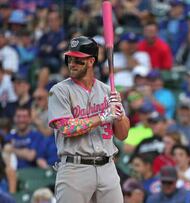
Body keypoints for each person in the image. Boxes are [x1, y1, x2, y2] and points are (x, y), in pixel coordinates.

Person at [48, 36, 130, 203]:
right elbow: (67, 128)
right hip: (75, 168)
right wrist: (103, 116)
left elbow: (122, 135)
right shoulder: (60, 91)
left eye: (78, 60)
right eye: (70, 59)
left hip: (107, 166)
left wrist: (119, 114)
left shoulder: (108, 91)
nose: (72, 64)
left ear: (91, 61)